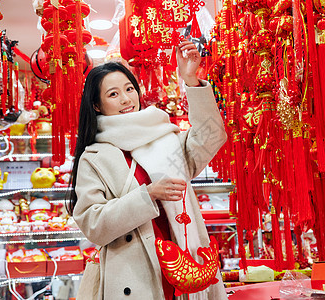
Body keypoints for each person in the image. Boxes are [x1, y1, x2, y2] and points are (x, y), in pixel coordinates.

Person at [68, 40, 228, 300]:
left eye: (129, 89)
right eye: (113, 94)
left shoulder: (165, 138)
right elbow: (92, 224)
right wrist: (147, 195)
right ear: (96, 105)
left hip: (188, 264)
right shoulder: (94, 157)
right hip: (134, 276)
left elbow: (211, 136)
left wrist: (191, 81)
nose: (126, 99)